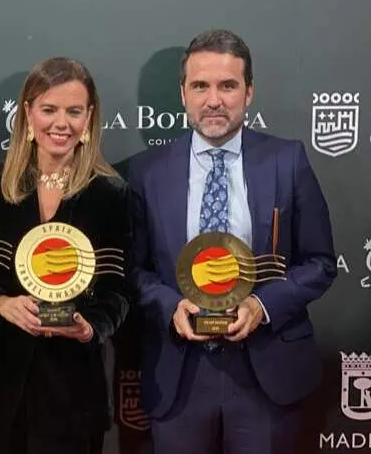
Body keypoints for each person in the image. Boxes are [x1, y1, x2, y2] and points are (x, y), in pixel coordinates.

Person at [128, 29, 337, 454]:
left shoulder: (288, 160)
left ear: (249, 92)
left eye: (228, 85)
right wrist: (171, 307)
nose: (214, 99)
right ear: (183, 92)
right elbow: (133, 269)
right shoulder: (145, 172)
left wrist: (261, 307)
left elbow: (320, 262)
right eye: (200, 86)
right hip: (179, 375)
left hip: (266, 374)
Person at [0, 57, 132, 453]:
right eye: (49, 110)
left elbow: (118, 290)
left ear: (89, 117)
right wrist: (0, 302)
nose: (61, 123)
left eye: (74, 111)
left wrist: (91, 327)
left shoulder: (109, 194)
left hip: (73, 394)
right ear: (27, 113)